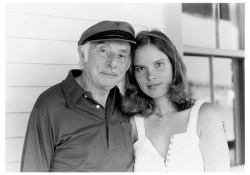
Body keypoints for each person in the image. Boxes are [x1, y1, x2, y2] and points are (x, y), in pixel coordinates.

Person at [20, 20, 136, 172]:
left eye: (122, 55)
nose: (113, 63)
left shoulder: (128, 106)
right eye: (103, 51)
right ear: (83, 55)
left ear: (128, 65)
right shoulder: (50, 105)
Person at [122, 29, 230, 172]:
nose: (150, 76)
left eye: (158, 64)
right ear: (133, 75)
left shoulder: (204, 115)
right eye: (141, 68)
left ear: (174, 65)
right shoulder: (133, 123)